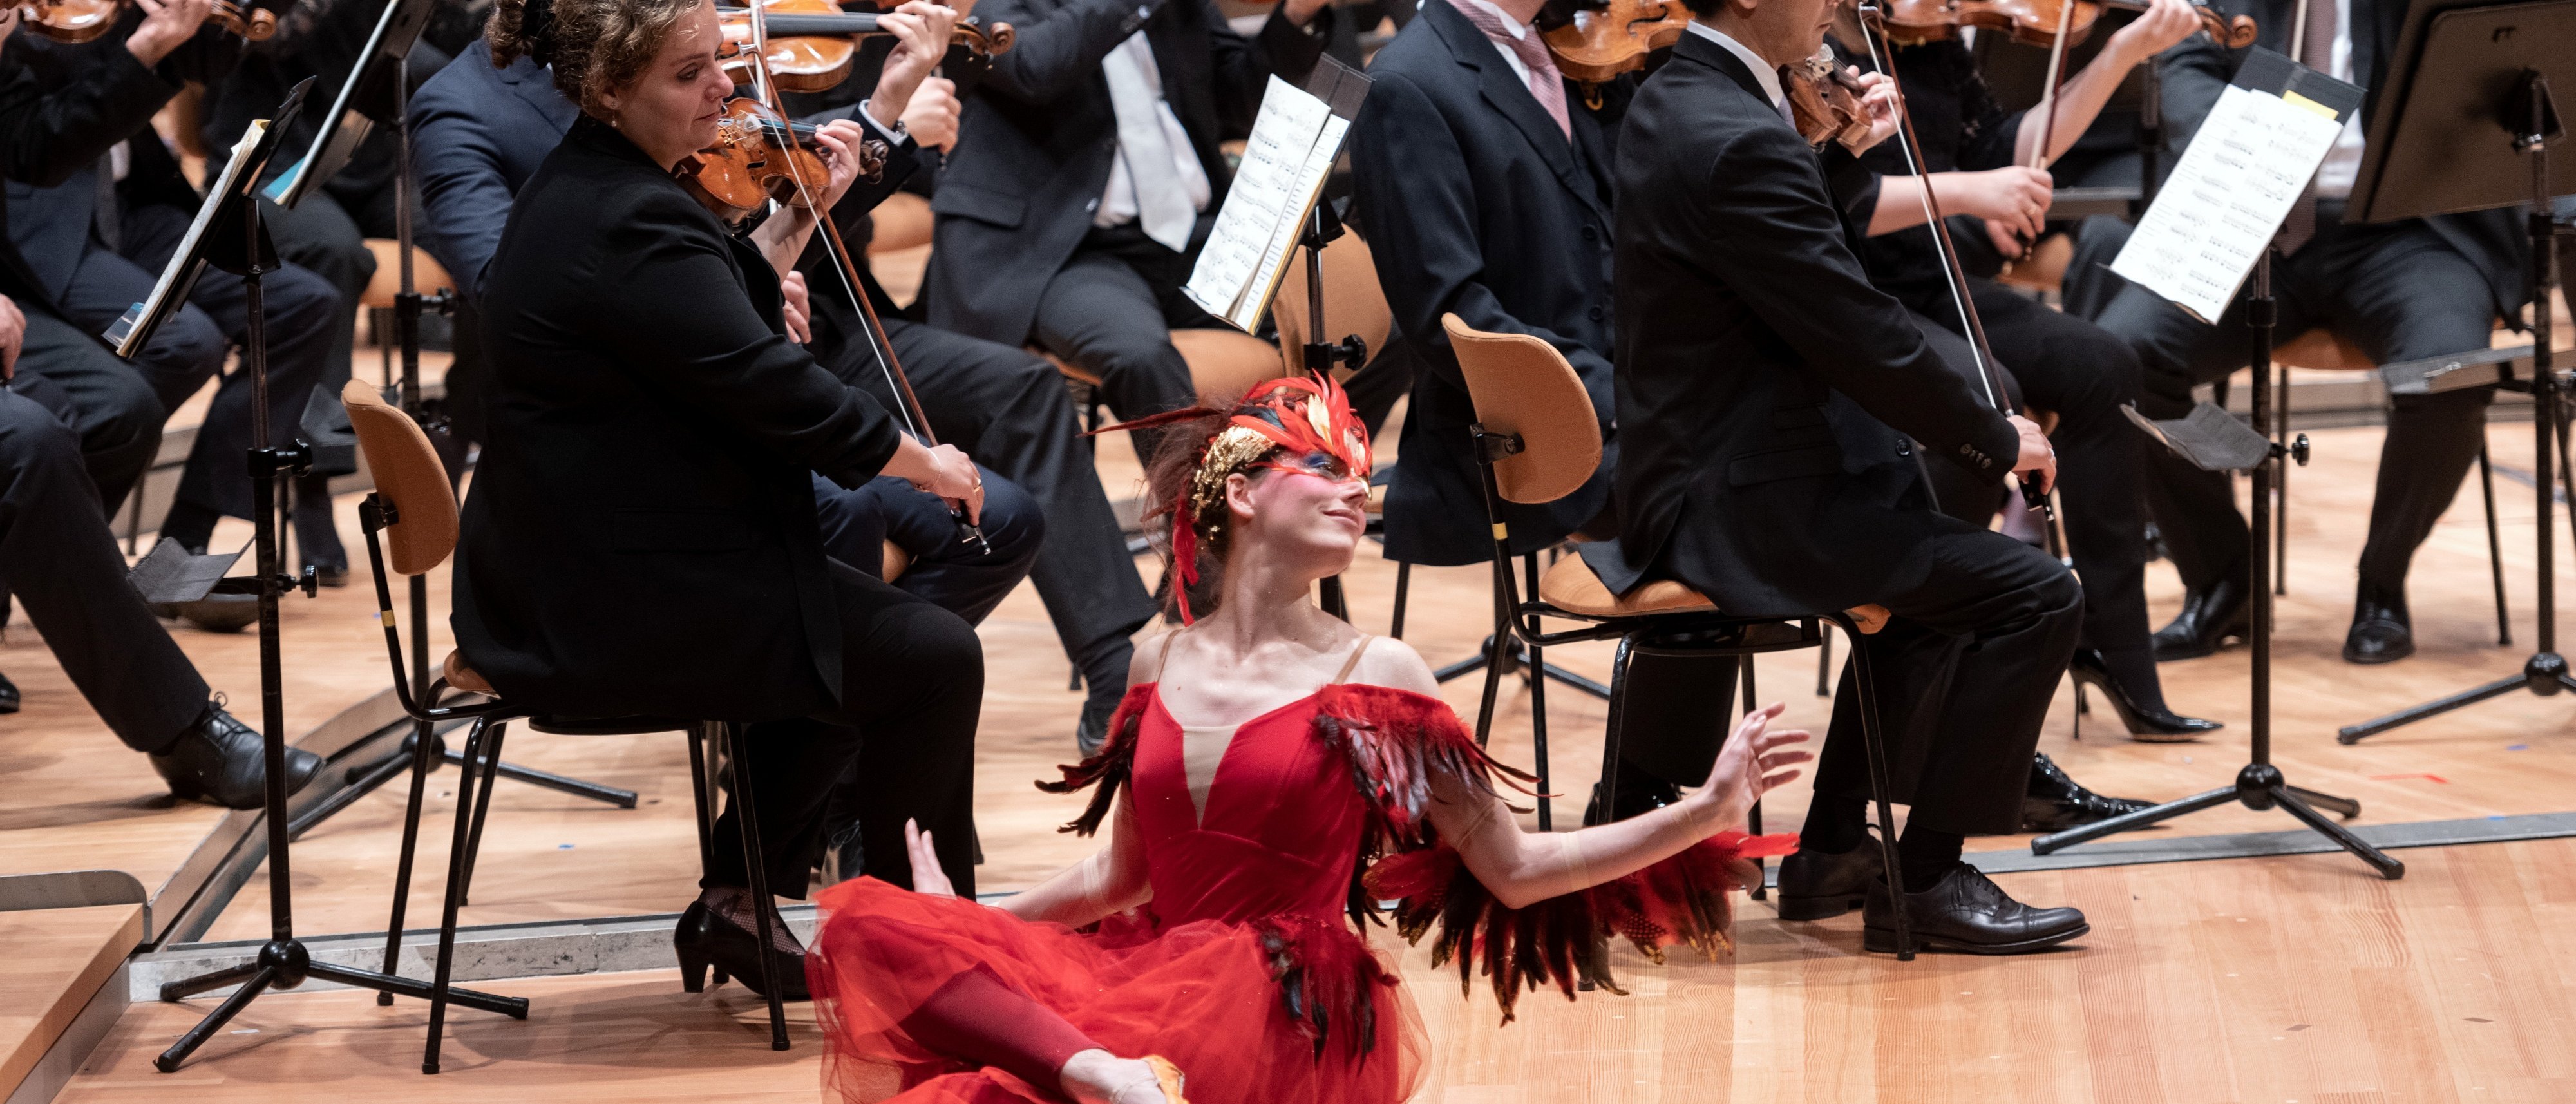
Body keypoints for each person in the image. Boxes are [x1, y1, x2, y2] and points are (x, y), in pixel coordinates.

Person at [804, 374, 1810, 1104]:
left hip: (1286, 1005)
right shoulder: (1159, 663)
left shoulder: (1382, 675)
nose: (1355, 490)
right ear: (1242, 492)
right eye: (1325, 467)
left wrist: (1704, 812)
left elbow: (1515, 867)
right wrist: (969, 925)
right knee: (866, 927)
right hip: (1151, 980)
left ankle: (1107, 1074)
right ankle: (1101, 1070)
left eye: (1362, 476)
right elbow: (1119, 881)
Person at [1348, 0, 2145, 829]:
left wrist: (1821, 147)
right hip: (1561, 429)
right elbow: (1449, 310)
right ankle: (1911, 775)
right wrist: (1630, 393)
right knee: (1925, 487)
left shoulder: (1617, 67)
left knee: (1922, 460)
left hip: (1677, 395)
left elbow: (1700, 220)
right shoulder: (1415, 80)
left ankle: (1869, 794)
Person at [412, 32, 1153, 757]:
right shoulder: (472, 111)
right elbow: (507, 285)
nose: (726, 87)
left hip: (806, 338)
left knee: (1007, 486)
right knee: (851, 523)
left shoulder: (679, 61)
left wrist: (876, 123)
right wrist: (723, 296)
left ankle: (859, 740)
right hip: (678, 413)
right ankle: (818, 765)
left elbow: (778, 176)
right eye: (695, 69)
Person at [459, 0, 983, 998]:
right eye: (689, 74)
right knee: (927, 657)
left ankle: (744, 904)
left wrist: (797, 215)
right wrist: (927, 463)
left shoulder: (600, 182)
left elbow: (703, 306)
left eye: (718, 62)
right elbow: (766, 384)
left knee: (849, 632)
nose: (726, 88)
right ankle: (921, 959)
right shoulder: (625, 215)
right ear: (611, 88)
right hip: (599, 599)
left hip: (579, 561)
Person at [1609, 0, 2091, 952]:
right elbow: (1856, 334)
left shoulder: (1680, 98)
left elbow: (1772, 258)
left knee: (1927, 571)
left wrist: (1835, 158)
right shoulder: (1737, 134)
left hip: (1718, 467)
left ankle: (1835, 850)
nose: (1834, 7)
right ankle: (1927, 876)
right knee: (2035, 594)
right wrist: (1998, 439)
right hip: (1743, 499)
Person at [2065, 0, 2533, 665]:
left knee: (2447, 375)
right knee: (2120, 363)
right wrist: (2258, 145)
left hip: (2405, 229)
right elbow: (2185, 64)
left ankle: (2382, 579)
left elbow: (2485, 61)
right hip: (2251, 221)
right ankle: (2225, 578)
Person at [1815, 0, 2221, 741]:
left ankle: (2113, 646)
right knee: (1983, 398)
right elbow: (1837, 202)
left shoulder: (1926, 42)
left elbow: (2008, 147)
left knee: (2104, 364)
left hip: (1940, 285)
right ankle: (1926, 654)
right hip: (1854, 298)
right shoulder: (1809, 54)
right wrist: (1972, 193)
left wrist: (2120, 51)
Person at [0, 6, 318, 807]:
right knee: (41, 432)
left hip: (122, 218)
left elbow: (213, 66)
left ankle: (180, 543)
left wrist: (180, 29)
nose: (9, 27)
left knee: (109, 408)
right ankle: (185, 733)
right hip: (57, 243)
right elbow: (40, 143)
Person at [4, 8, 346, 574]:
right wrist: (142, 39)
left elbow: (206, 64)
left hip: (134, 205)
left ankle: (187, 535)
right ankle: (59, 540)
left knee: (302, 306)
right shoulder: (31, 21)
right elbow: (48, 120)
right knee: (185, 342)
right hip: (51, 219)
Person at [925, 0, 1336, 461]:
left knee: (1366, 321)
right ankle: (1195, 523)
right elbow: (1034, 67)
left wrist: (1298, 15)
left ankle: (1318, 488)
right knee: (1140, 357)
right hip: (1065, 250)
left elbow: (1238, 100)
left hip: (1190, 238)